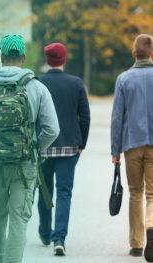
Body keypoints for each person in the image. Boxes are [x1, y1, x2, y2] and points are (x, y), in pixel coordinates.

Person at [0, 34, 60, 263]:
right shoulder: (37, 87)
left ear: (1, 56)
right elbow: (52, 129)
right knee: (19, 219)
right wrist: (34, 147)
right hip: (25, 164)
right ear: (24, 57)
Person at [37, 43, 90, 256]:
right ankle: (59, 238)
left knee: (44, 189)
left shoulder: (37, 83)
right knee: (64, 192)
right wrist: (81, 144)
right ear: (64, 59)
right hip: (69, 146)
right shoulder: (76, 83)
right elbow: (84, 117)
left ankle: (45, 233)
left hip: (44, 146)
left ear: (47, 59)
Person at [111, 34, 153, 261]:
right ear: (152, 53)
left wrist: (114, 150)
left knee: (135, 192)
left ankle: (136, 244)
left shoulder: (124, 79)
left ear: (134, 53)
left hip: (132, 144)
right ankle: (151, 225)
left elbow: (117, 117)